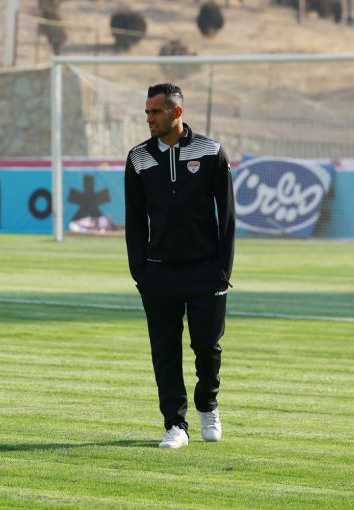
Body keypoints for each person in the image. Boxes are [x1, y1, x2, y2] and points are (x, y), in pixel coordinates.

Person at [124, 83, 235, 449]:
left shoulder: (211, 152)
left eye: (156, 111)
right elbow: (134, 220)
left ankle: (208, 406)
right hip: (158, 273)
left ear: (177, 112)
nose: (149, 118)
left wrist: (223, 270)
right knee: (165, 351)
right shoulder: (138, 158)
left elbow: (227, 216)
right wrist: (140, 271)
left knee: (207, 345)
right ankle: (175, 424)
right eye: (147, 112)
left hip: (206, 270)